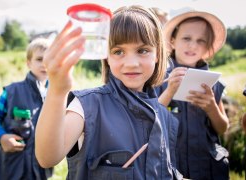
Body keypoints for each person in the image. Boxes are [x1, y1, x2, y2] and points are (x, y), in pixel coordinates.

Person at [35, 5, 183, 179]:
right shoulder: (87, 106)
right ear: (106, 56)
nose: (131, 63)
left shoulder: (162, 114)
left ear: (157, 54)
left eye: (142, 50)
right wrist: (57, 91)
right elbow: (47, 157)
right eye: (118, 51)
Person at [155, 10, 230, 179]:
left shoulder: (214, 84)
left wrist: (211, 108)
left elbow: (223, 127)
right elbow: (149, 122)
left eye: (200, 41)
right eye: (186, 38)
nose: (193, 45)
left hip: (209, 169)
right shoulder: (159, 80)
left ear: (207, 47)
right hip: (172, 168)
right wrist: (169, 92)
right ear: (173, 41)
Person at [0, 38, 53, 180]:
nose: (45, 64)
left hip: (39, 170)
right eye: (39, 59)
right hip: (10, 167)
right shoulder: (12, 92)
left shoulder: (56, 96)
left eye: (49, 59)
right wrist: (1, 137)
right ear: (29, 63)